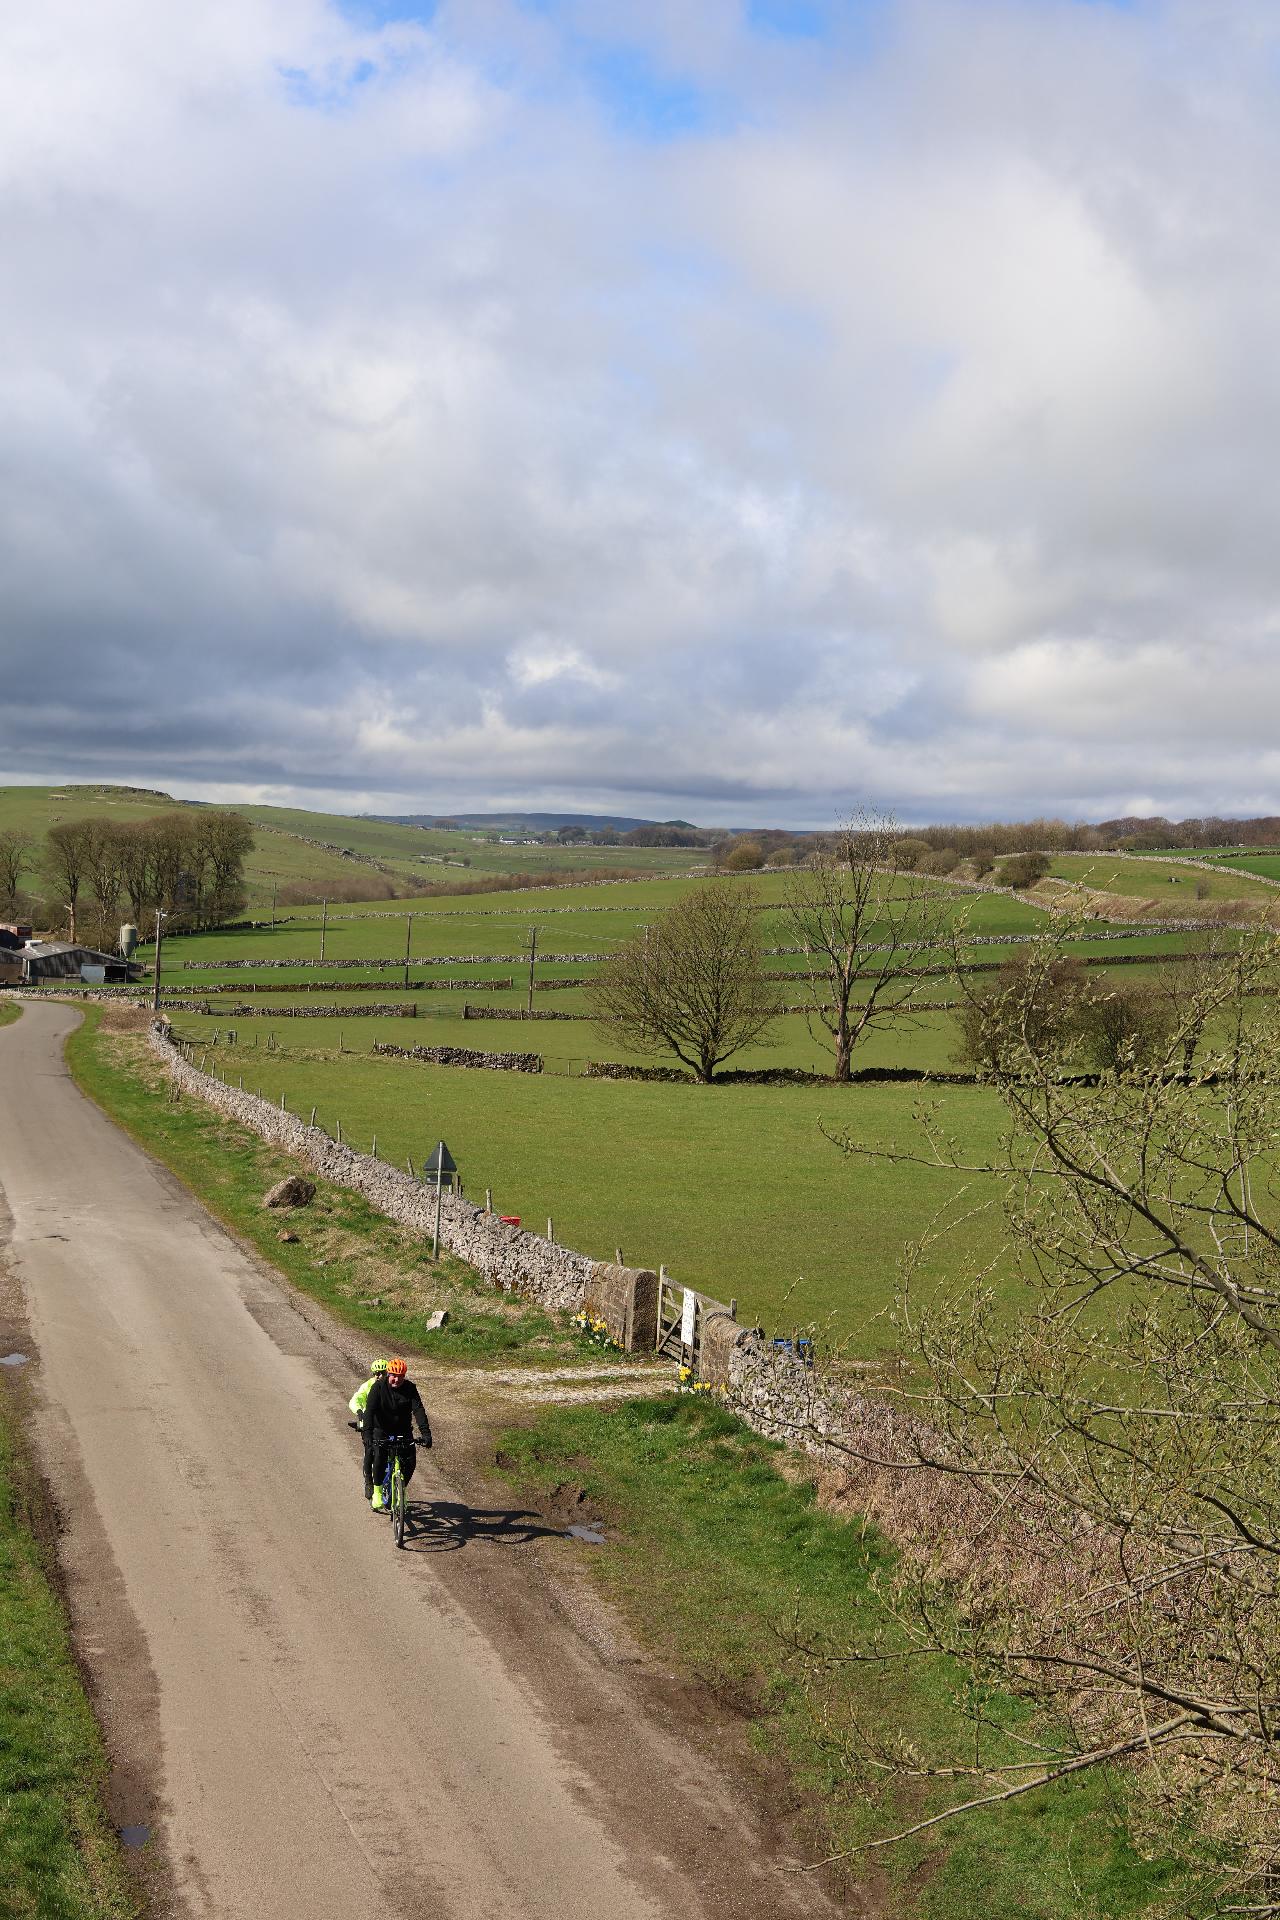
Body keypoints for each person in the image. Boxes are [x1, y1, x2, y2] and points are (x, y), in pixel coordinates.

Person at [364, 1357, 432, 1511]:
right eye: (393, 1375)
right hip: (381, 1429)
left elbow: (419, 1411)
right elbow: (369, 1412)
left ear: (404, 1376)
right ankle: (377, 1492)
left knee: (410, 1462)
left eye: (400, 1376)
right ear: (388, 1374)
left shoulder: (410, 1388)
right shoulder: (378, 1387)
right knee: (380, 1456)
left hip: (403, 1430)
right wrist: (367, 1435)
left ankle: (401, 1490)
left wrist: (426, 1434)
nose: (396, 1379)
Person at [348, 1359, 388, 1505]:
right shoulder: (368, 1385)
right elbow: (355, 1399)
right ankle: (369, 1482)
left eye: (382, 1373)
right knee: (370, 1451)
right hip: (369, 1424)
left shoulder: (390, 1385)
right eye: (376, 1373)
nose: (379, 1376)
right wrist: (360, 1413)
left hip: (385, 1425)